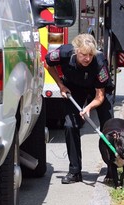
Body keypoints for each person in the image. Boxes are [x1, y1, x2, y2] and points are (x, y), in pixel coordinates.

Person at [45, 33, 114, 184]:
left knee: (109, 128)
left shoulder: (99, 62)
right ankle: (75, 172)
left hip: (98, 90)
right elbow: (48, 64)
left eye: (90, 54)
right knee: (70, 125)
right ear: (76, 51)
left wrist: (88, 107)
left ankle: (111, 170)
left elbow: (100, 96)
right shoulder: (63, 53)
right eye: (83, 54)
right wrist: (61, 85)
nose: (87, 58)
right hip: (74, 88)